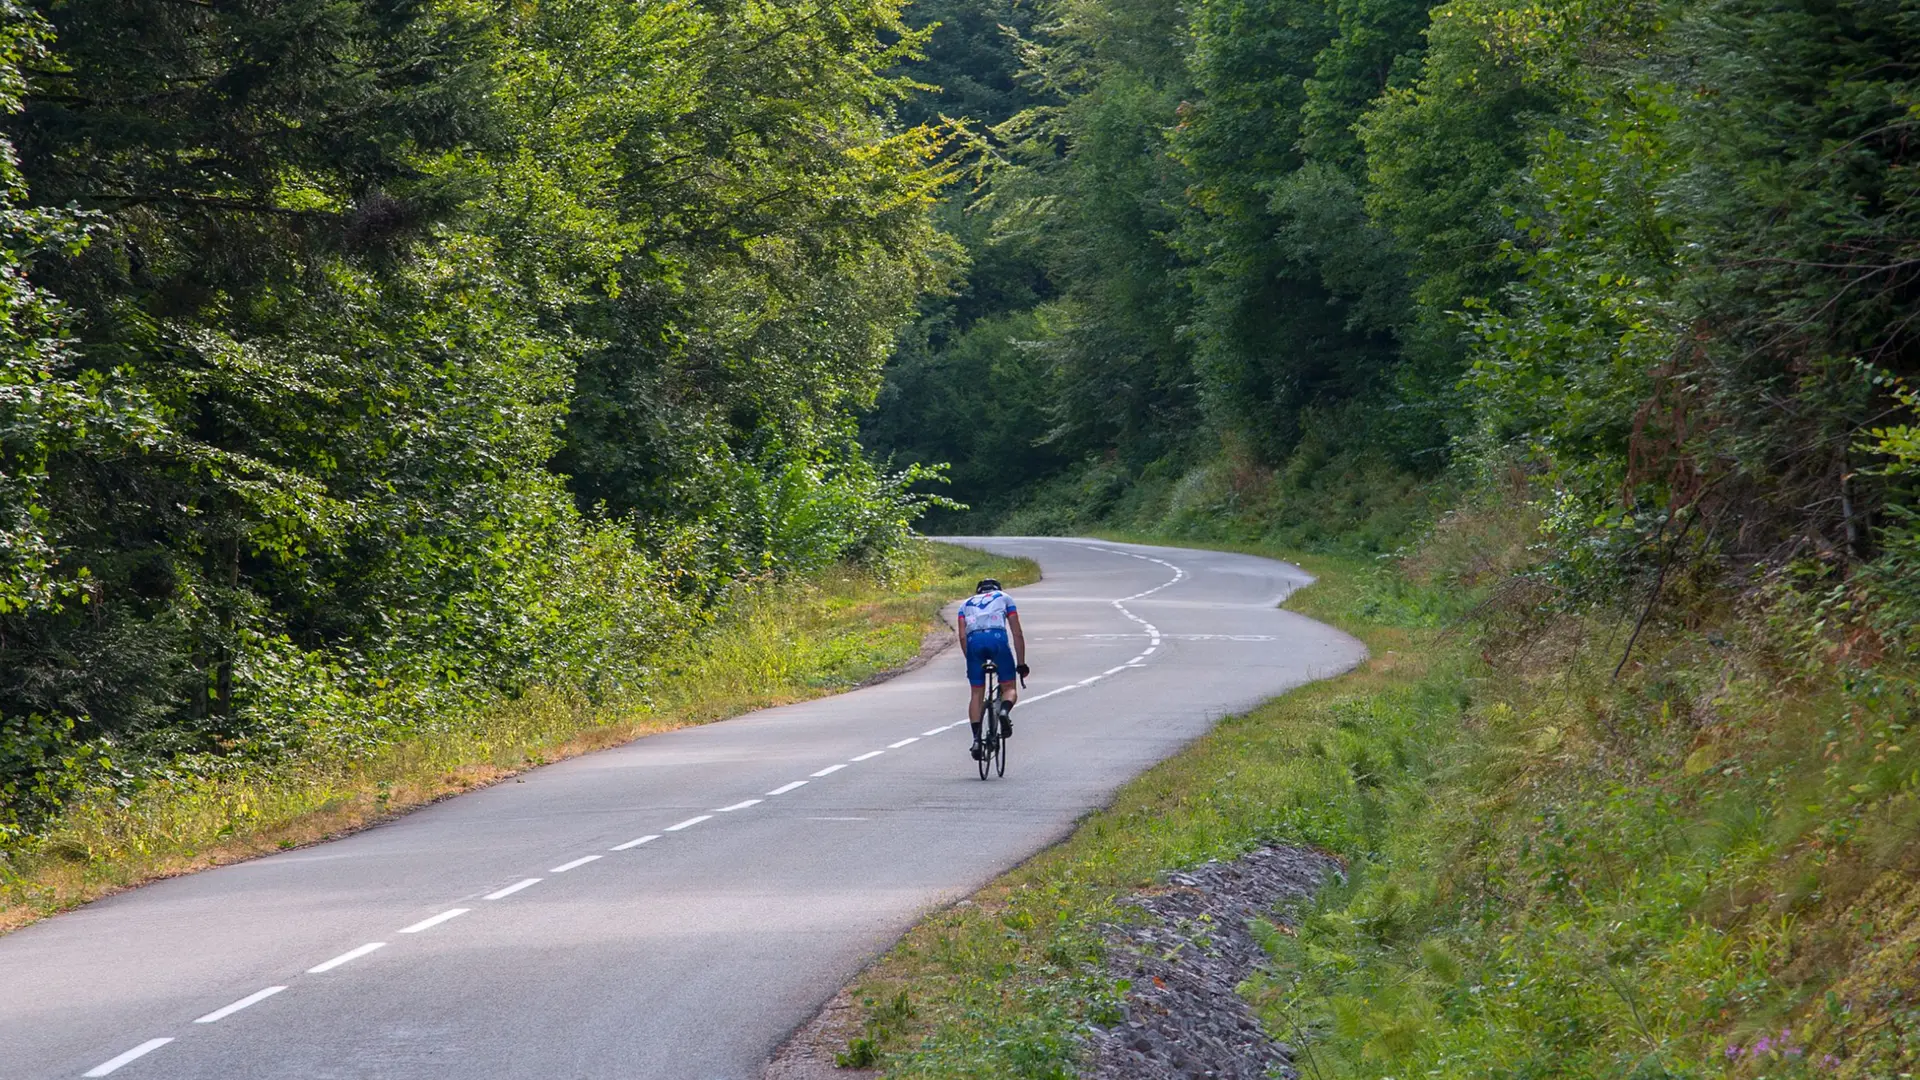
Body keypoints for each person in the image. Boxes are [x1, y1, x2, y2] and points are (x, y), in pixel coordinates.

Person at [957, 578, 1029, 761]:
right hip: (997, 639)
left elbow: (962, 637)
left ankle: (976, 740)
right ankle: (1004, 711)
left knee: (976, 693)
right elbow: (1017, 633)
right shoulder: (1005, 598)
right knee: (1009, 687)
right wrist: (1021, 663)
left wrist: (971, 661)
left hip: (974, 643)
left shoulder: (964, 604)